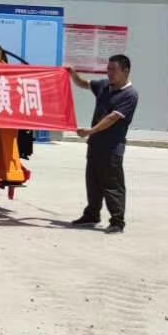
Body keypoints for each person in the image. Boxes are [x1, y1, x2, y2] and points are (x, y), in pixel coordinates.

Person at [66, 54, 138, 234]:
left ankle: (117, 221)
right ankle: (92, 215)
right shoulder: (104, 86)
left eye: (114, 70)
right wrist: (73, 74)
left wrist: (90, 131)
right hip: (95, 145)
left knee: (112, 185)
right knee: (93, 182)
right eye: (108, 69)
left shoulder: (129, 95)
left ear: (125, 71)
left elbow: (112, 118)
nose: (109, 73)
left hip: (112, 148)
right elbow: (85, 84)